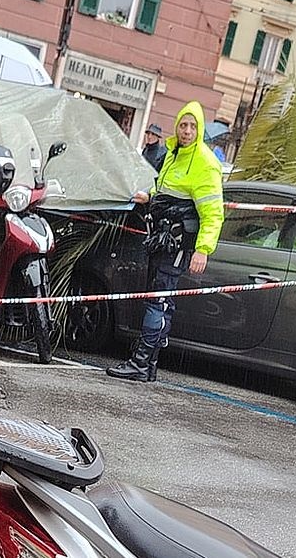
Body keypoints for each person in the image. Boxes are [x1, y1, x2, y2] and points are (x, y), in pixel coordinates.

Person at [107, 102, 224, 383]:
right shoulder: (173, 153)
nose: (187, 131)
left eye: (193, 126)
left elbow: (213, 211)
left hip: (177, 243)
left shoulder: (205, 163)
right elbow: (163, 187)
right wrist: (148, 195)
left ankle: (141, 362)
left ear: (200, 129)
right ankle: (149, 365)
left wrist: (202, 249)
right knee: (162, 301)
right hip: (162, 239)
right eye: (183, 125)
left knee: (157, 300)